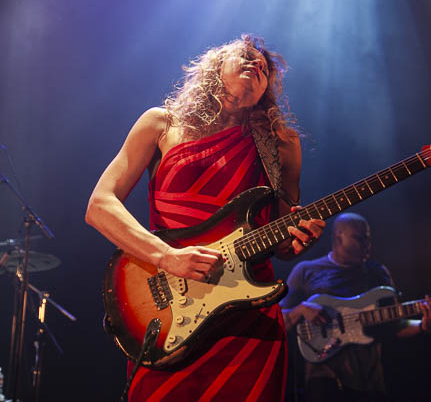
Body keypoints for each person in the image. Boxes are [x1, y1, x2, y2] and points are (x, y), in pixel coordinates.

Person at [86, 34, 325, 401]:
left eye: (263, 67)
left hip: (247, 321)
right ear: (215, 67)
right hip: (170, 312)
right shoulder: (161, 124)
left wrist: (298, 238)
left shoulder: (282, 144)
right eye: (245, 56)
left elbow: (283, 246)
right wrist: (166, 256)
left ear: (267, 90)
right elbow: (100, 206)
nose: (255, 64)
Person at [280, 212, 431, 402]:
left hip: (369, 382)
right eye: (359, 238)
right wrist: (301, 309)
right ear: (338, 235)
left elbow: (395, 326)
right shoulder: (306, 270)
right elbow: (280, 320)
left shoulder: (378, 273)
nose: (367, 244)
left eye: (368, 238)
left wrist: (423, 325)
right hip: (325, 382)